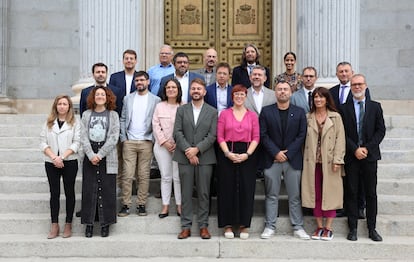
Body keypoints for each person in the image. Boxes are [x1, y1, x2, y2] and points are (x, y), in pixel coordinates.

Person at [259, 81, 310, 240]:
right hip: (272, 159)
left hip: (292, 159)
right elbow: (263, 135)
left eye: (285, 89)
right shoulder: (266, 112)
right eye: (279, 89)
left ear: (290, 92)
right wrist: (276, 152)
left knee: (294, 195)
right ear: (275, 92)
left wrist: (287, 154)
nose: (282, 92)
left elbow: (302, 135)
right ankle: (270, 225)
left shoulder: (300, 112)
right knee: (271, 195)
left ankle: (298, 226)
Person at [340, 74, 385, 242]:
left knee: (371, 193)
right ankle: (353, 228)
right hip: (352, 157)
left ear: (365, 86)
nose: (357, 87)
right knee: (351, 192)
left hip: (370, 156)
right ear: (350, 87)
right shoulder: (344, 109)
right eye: (354, 85)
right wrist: (355, 149)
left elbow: (380, 131)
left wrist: (366, 148)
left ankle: (372, 228)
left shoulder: (375, 107)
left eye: (359, 84)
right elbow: (342, 132)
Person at [173, 78, 217, 240]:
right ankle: (186, 227)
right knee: (185, 193)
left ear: (204, 92)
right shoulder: (181, 110)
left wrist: (197, 150)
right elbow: (177, 132)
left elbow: (212, 135)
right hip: (184, 158)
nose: (196, 91)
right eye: (193, 89)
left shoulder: (212, 112)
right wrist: (188, 151)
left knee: (204, 193)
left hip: (205, 157)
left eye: (199, 89)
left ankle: (203, 226)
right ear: (190, 91)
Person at [301, 87, 346, 241]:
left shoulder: (335, 117)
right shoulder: (308, 117)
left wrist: (338, 160)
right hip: (311, 162)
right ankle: (319, 226)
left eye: (321, 97)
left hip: (330, 162)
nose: (318, 100)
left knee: (330, 193)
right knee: (316, 194)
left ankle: (329, 228)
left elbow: (341, 140)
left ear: (327, 99)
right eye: (315, 97)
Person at [216, 85, 260, 240]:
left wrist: (247, 154)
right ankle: (227, 224)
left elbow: (256, 137)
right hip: (227, 152)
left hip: (248, 155)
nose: (239, 97)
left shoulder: (252, 115)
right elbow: (220, 136)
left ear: (246, 96)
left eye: (242, 94)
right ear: (232, 96)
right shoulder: (224, 114)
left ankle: (243, 225)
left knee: (246, 189)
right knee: (227, 188)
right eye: (236, 94)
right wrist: (227, 153)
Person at [330, 61, 370, 219]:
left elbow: (367, 116)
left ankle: (360, 206)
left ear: (352, 72)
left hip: (357, 142)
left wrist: (362, 144)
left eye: (346, 71)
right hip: (338, 139)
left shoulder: (361, 90)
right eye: (340, 71)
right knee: (343, 176)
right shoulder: (332, 91)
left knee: (359, 177)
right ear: (337, 74)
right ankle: (343, 206)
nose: (344, 74)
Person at [118, 71, 161, 217]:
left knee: (143, 175)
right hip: (129, 141)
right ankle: (126, 204)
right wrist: (124, 138)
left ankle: (141, 204)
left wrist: (153, 139)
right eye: (137, 80)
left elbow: (156, 120)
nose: (139, 83)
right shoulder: (128, 98)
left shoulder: (156, 100)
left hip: (146, 141)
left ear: (148, 82)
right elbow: (123, 118)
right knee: (128, 174)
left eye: (142, 80)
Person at [80, 86, 120, 238]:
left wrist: (101, 154)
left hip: (107, 154)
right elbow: (82, 135)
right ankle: (89, 224)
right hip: (90, 153)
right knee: (89, 189)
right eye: (97, 94)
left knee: (108, 189)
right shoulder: (86, 114)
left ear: (107, 97)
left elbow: (114, 137)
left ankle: (105, 224)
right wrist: (90, 154)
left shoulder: (113, 115)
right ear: (93, 97)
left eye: (103, 94)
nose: (100, 97)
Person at [40, 95, 80, 239]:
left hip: (69, 161)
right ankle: (54, 224)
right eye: (59, 104)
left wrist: (61, 157)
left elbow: (76, 143)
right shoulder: (48, 123)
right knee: (54, 193)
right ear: (55, 106)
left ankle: (68, 223)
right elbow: (43, 143)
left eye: (65, 104)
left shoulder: (75, 123)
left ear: (69, 106)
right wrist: (54, 158)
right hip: (51, 163)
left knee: (70, 192)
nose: (62, 106)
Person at [152, 79, 182, 218]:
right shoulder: (159, 106)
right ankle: (165, 206)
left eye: (174, 87)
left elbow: (186, 127)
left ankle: (179, 205)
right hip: (162, 147)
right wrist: (164, 142)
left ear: (178, 90)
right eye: (168, 87)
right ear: (165, 90)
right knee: (166, 176)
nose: (171, 89)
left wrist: (178, 143)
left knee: (177, 177)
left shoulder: (183, 106)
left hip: (179, 147)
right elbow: (156, 125)